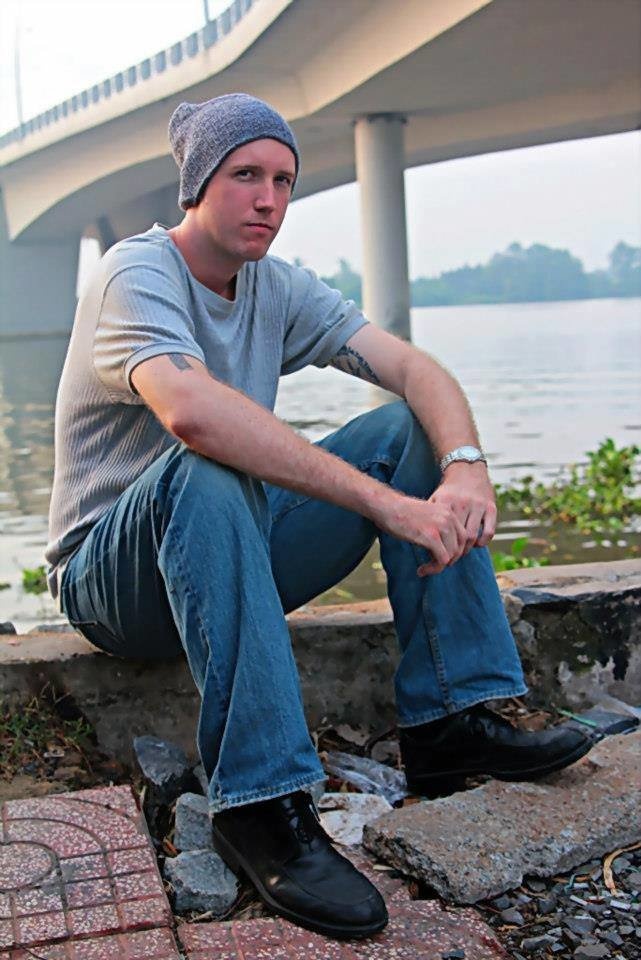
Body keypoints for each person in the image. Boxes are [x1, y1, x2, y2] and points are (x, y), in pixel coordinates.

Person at [45, 93, 594, 940]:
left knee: (407, 431)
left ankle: (453, 719)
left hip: (224, 551)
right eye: (245, 176)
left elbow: (412, 369)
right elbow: (191, 413)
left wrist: (464, 466)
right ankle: (261, 805)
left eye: (283, 181)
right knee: (208, 462)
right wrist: (386, 507)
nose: (267, 199)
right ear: (197, 183)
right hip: (113, 584)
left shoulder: (274, 286)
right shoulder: (136, 273)